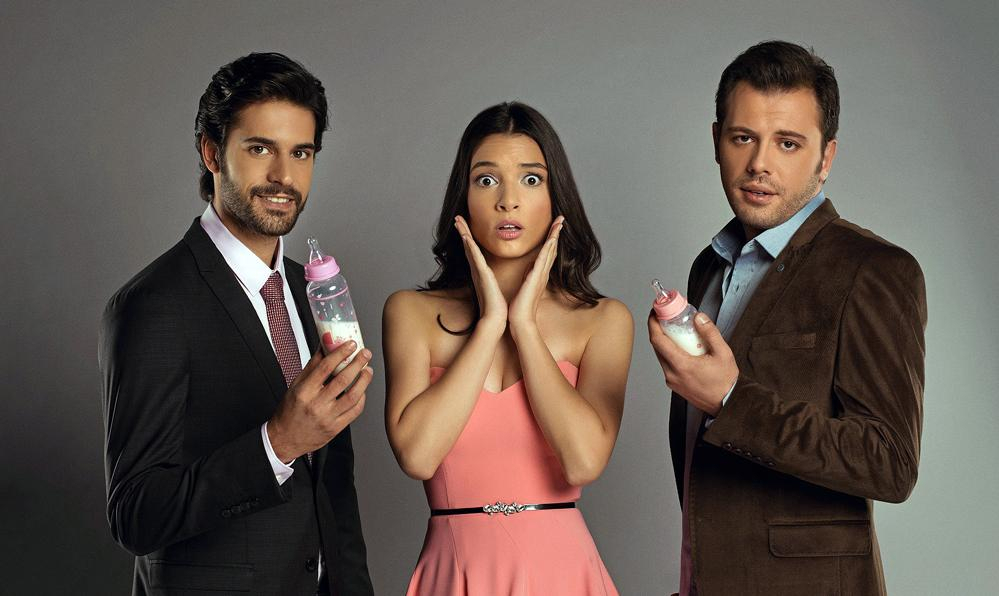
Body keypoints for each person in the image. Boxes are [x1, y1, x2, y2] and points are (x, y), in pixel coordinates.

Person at [647, 41, 927, 595]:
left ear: (826, 158)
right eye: (742, 137)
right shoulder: (709, 268)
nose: (759, 163)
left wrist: (731, 398)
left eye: (788, 143)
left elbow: (891, 463)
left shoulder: (874, 269)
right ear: (716, 141)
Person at [99, 52, 374, 595]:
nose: (284, 176)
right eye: (259, 148)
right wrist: (277, 444)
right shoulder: (153, 304)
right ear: (211, 152)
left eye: (301, 152)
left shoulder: (310, 291)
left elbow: (334, 490)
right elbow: (135, 515)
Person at [383, 102, 633, 595]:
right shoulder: (410, 312)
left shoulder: (603, 320)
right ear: (463, 197)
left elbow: (584, 463)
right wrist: (490, 324)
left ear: (556, 198)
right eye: (487, 180)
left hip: (563, 575)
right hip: (454, 573)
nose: (508, 202)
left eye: (531, 180)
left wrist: (524, 327)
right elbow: (418, 457)